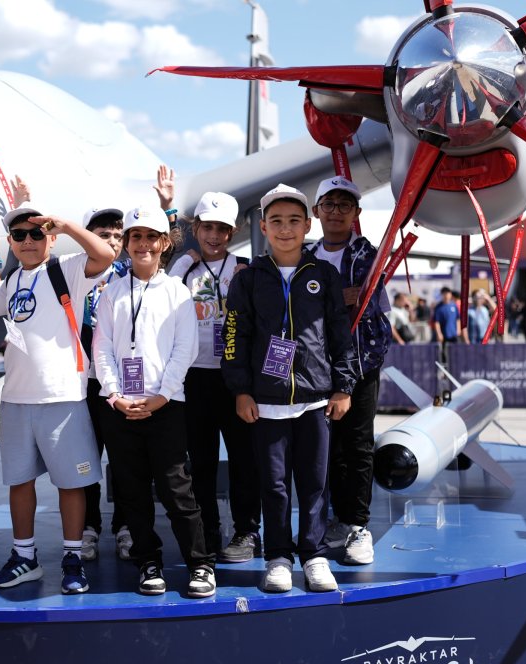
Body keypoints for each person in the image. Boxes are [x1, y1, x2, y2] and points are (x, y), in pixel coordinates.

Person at [0, 201, 115, 594]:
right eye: (19, 235)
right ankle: (25, 557)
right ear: (11, 242)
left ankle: (72, 557)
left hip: (62, 397)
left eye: (37, 233)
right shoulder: (14, 279)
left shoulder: (66, 269)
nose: (29, 241)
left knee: (70, 484)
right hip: (17, 400)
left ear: (50, 237)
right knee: (20, 482)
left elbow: (104, 255)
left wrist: (68, 225)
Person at [222, 184, 356, 593]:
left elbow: (339, 333)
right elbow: (233, 337)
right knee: (275, 485)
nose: (285, 229)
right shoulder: (247, 280)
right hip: (267, 402)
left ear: (307, 224)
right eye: (276, 221)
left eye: (294, 221)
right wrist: (241, 390)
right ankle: (278, 557)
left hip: (317, 399)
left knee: (315, 483)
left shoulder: (323, 276)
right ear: (263, 227)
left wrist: (343, 386)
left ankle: (313, 555)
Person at [92, 206, 216, 598]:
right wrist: (114, 395)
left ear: (165, 243)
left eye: (151, 237)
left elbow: (185, 349)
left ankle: (200, 564)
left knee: (176, 488)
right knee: (131, 490)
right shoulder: (111, 293)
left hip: (166, 406)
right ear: (126, 243)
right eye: (135, 237)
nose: (142, 244)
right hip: (121, 408)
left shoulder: (178, 292)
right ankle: (148, 561)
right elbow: (103, 349)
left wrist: (161, 397)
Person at [167, 188, 262, 563]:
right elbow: (168, 301)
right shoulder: (184, 268)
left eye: (222, 229)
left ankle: (246, 532)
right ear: (196, 227)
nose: (214, 236)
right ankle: (207, 531)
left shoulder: (244, 267)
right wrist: (179, 263)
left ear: (234, 230)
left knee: (244, 458)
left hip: (234, 378)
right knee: (200, 462)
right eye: (207, 227)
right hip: (194, 378)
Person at [305, 176, 389, 566]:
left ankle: (356, 524)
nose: (336, 212)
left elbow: (370, 300)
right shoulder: (304, 256)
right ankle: (326, 521)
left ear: (356, 213)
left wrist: (324, 298)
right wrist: (341, 296)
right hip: (312, 368)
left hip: (359, 366)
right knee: (321, 448)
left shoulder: (368, 254)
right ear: (317, 211)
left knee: (356, 445)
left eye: (344, 205)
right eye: (329, 204)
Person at [77, 204, 133, 561]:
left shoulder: (131, 273)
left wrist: (169, 211)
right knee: (84, 461)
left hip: (121, 384)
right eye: (103, 235)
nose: (112, 241)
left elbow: (166, 249)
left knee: (125, 459)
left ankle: (125, 525)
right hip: (82, 385)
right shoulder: (71, 274)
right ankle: (88, 527)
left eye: (117, 235)